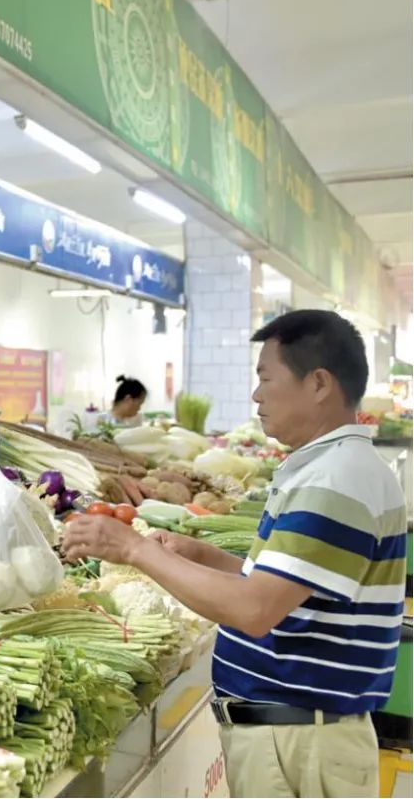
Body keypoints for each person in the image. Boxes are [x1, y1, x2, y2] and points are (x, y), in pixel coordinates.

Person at [62, 310, 405, 799]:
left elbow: (256, 609)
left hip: (299, 744)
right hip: (295, 736)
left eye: (266, 378)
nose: (256, 395)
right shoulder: (330, 468)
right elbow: (285, 591)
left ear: (319, 383)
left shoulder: (335, 479)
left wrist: (132, 548)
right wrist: (200, 555)